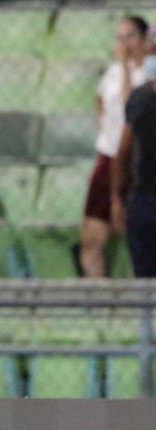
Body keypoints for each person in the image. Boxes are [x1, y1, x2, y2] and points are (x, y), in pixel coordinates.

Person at [81, 16, 149, 278]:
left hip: (135, 159)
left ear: (144, 40)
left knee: (137, 238)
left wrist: (126, 66)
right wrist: (105, 124)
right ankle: (98, 305)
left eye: (130, 36)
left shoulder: (147, 74)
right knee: (91, 237)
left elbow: (129, 106)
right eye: (120, 37)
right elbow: (100, 99)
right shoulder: (113, 72)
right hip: (108, 154)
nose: (124, 43)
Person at [111, 34, 156, 278]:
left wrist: (118, 198)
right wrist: (119, 198)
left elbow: (124, 151)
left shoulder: (141, 98)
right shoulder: (140, 98)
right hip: (144, 197)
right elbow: (124, 152)